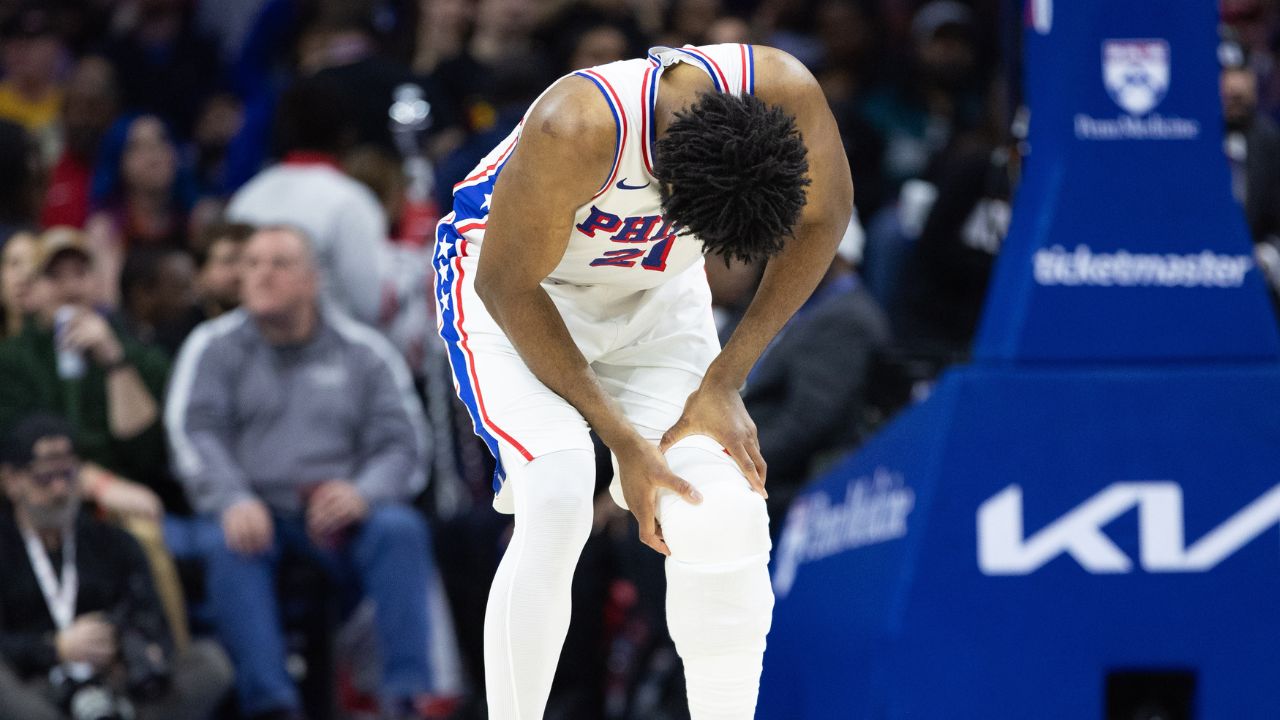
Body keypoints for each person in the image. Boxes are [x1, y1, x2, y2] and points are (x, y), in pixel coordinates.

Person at [435, 42, 850, 718]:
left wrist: (726, 379)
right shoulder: (575, 125)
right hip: (517, 291)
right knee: (560, 491)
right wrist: (622, 438)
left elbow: (826, 216)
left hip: (656, 299)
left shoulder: (784, 86)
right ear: (668, 189)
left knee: (724, 513)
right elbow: (507, 287)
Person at [165, 226, 446, 720]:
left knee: (400, 528)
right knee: (232, 543)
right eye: (251, 264)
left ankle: (406, 695)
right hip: (255, 511)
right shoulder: (212, 346)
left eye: (277, 264)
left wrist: (363, 492)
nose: (260, 275)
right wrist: (232, 497)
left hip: (340, 519)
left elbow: (404, 445)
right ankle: (272, 705)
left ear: (313, 279)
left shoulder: (363, 351)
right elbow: (193, 435)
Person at [0, 413, 232, 720]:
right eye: (44, 478)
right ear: (11, 481)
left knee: (210, 665)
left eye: (67, 475)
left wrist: (124, 643)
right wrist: (55, 648)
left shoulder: (113, 542)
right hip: (38, 688)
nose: (59, 490)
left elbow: (153, 623)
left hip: (114, 686)